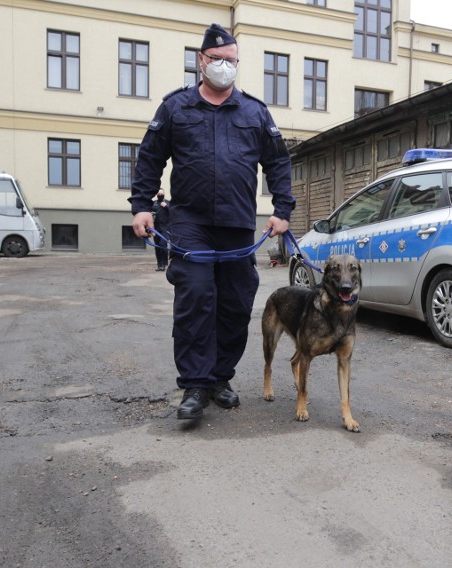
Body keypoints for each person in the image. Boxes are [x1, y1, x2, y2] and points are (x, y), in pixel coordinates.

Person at [129, 23, 295, 420]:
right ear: (201, 61)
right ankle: (195, 384)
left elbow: (277, 162)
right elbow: (150, 157)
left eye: (231, 61)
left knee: (236, 303)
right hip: (190, 222)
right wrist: (141, 205)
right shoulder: (176, 108)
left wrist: (282, 211)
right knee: (196, 296)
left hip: (238, 223)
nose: (224, 66)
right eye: (217, 60)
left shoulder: (255, 112)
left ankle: (221, 377)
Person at [151, 189, 169, 271]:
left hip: (165, 228)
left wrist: (166, 206)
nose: (160, 194)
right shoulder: (154, 203)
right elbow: (149, 214)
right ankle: (159, 265)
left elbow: (174, 212)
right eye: (158, 193)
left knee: (163, 244)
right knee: (157, 247)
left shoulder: (168, 203)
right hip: (156, 228)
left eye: (161, 193)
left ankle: (164, 263)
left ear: (164, 194)